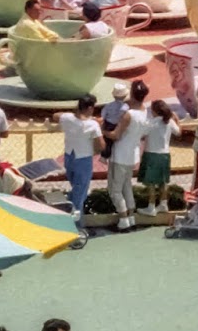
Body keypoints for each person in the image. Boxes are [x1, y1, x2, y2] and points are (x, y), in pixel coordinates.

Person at [107, 81, 151, 231]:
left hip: (120, 155)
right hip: (133, 154)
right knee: (127, 186)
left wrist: (101, 130)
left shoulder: (128, 115)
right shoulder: (144, 111)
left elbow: (115, 135)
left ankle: (123, 218)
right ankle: (131, 217)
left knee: (115, 189)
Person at [55, 96, 104, 218]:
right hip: (84, 160)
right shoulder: (92, 125)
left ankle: (71, 211)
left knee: (76, 190)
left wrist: (75, 113)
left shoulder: (67, 118)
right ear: (90, 108)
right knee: (80, 194)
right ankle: (76, 225)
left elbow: (56, 115)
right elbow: (101, 146)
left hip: (69, 157)